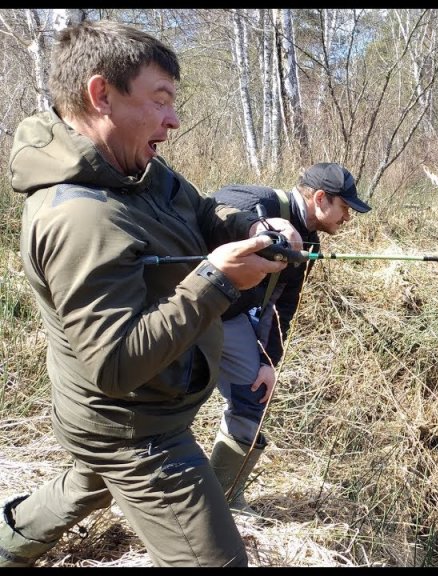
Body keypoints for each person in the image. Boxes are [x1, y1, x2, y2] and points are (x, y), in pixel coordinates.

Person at [0, 20, 301, 567]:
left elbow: (203, 212)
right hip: (137, 431)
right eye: (161, 100)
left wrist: (251, 231)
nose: (174, 119)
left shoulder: (138, 171)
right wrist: (218, 281)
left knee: (85, 484)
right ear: (101, 95)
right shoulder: (78, 219)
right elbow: (115, 364)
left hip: (126, 411)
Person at [206, 163, 371, 515]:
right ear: (322, 199)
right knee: (173, 402)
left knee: (255, 396)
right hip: (185, 306)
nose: (347, 218)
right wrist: (262, 226)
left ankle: (222, 498)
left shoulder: (310, 242)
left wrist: (268, 362)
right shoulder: (262, 200)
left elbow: (282, 305)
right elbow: (215, 206)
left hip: (230, 318)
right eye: (345, 208)